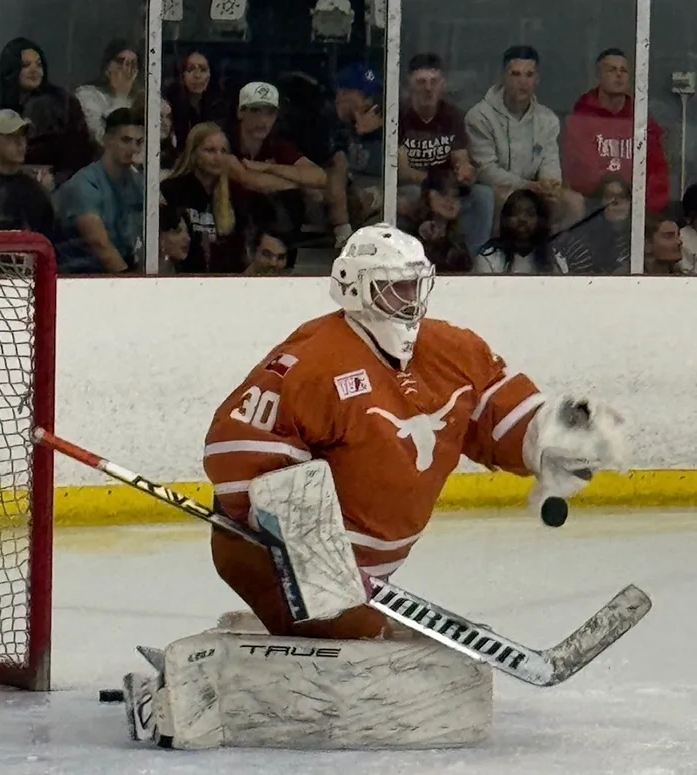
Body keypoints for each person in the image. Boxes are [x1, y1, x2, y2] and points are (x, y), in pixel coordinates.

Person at [201, 222, 625, 641]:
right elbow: (233, 446)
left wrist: (547, 435)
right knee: (359, 636)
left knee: (363, 634)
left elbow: (493, 414)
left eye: (415, 285)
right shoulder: (313, 360)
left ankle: (352, 623)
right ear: (354, 287)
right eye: (395, 287)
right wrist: (298, 542)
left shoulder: (452, 349)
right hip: (273, 561)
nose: (410, 300)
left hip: (363, 570)